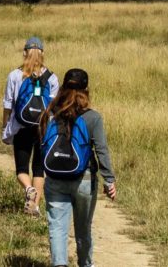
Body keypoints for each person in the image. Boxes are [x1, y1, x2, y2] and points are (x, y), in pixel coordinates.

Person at [40, 68, 117, 267]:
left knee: (57, 229)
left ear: (63, 87)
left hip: (55, 178)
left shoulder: (51, 112)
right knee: (83, 230)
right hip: (84, 180)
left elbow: (42, 145)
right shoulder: (93, 117)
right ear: (86, 90)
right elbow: (101, 150)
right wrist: (109, 180)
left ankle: (60, 264)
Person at [2, 36, 61, 215]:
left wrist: (5, 125)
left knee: (21, 168)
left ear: (24, 53)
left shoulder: (14, 75)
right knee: (38, 169)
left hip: (21, 127)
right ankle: (34, 207)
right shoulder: (52, 78)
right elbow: (53, 108)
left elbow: (8, 105)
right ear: (42, 53)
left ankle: (28, 189)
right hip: (43, 128)